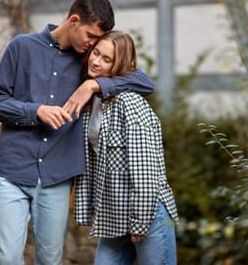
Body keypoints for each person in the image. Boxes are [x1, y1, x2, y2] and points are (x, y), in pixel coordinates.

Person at [0, 0, 155, 265]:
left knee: (50, 261)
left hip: (57, 177)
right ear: (74, 20)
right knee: (6, 260)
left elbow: (145, 83)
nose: (92, 46)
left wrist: (93, 85)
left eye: (97, 42)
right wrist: (35, 111)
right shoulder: (21, 47)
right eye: (90, 36)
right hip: (12, 171)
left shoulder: (89, 62)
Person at [74, 31, 179, 265]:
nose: (96, 60)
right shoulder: (95, 101)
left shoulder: (129, 102)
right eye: (96, 52)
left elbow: (146, 169)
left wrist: (141, 220)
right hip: (115, 215)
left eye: (106, 59)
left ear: (119, 65)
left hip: (147, 214)